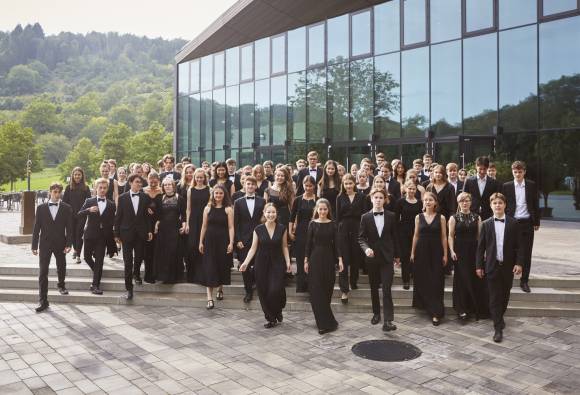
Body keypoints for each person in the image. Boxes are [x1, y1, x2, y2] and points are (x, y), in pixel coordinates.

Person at [476, 193, 524, 343]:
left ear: (505, 205)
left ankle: (499, 316)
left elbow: (520, 246)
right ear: (491, 206)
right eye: (495, 203)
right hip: (492, 265)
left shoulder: (513, 223)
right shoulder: (485, 224)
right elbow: (480, 248)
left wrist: (519, 263)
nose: (497, 205)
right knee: (495, 297)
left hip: (508, 266)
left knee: (504, 295)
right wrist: (479, 266)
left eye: (500, 203)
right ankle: (497, 328)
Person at [239, 203, 291, 328]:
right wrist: (245, 262)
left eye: (273, 212)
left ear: (276, 214)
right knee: (264, 291)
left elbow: (284, 246)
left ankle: (278, 310)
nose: (271, 214)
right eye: (268, 212)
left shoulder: (282, 228)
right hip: (261, 263)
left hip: (277, 262)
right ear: (264, 213)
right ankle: (271, 318)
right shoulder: (258, 229)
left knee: (275, 290)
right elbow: (253, 248)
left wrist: (288, 262)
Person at [358, 188, 400, 331]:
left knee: (387, 289)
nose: (378, 200)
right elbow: (361, 238)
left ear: (385, 200)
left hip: (387, 257)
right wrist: (366, 249)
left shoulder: (391, 216)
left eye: (381, 197)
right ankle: (376, 313)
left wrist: (397, 256)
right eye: (375, 197)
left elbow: (395, 237)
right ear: (371, 199)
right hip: (372, 257)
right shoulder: (365, 217)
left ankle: (388, 321)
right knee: (374, 288)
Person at [31, 182, 74, 312]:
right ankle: (43, 300)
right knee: (43, 272)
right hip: (45, 244)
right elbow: (36, 227)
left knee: (61, 265)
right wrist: (34, 245)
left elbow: (70, 228)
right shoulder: (41, 208)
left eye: (58, 192)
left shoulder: (67, 208)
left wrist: (68, 244)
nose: (56, 194)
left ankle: (61, 284)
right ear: (50, 192)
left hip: (61, 243)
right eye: (54, 192)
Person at [304, 199, 343, 334]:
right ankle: (322, 324)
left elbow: (337, 244)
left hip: (328, 259)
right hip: (315, 259)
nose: (322, 212)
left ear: (328, 210)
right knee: (316, 291)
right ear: (316, 210)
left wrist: (340, 260)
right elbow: (308, 244)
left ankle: (328, 321)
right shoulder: (312, 224)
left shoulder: (333, 225)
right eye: (320, 209)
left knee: (327, 290)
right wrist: (305, 261)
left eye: (325, 209)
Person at [502, 161, 540, 293]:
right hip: (512, 222)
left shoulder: (531, 185)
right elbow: (503, 204)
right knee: (510, 251)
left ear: (524, 172)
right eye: (515, 172)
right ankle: (508, 279)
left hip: (527, 222)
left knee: (526, 252)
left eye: (520, 172)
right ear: (512, 172)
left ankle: (524, 281)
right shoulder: (506, 186)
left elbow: (535, 203)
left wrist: (537, 222)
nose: (517, 174)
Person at [410, 192, 448, 326]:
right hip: (421, 251)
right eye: (425, 200)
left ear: (435, 202)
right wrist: (412, 253)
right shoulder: (418, 217)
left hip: (437, 251)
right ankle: (428, 307)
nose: (427, 202)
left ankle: (436, 313)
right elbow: (415, 236)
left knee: (436, 281)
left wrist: (445, 254)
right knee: (423, 279)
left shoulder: (441, 218)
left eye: (430, 200)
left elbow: (444, 237)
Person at [448, 192, 486, 322]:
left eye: (467, 200)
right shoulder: (454, 218)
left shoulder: (477, 217)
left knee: (473, 278)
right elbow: (450, 236)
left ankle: (472, 308)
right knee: (461, 280)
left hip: (474, 251)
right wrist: (452, 250)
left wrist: (482, 253)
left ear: (471, 202)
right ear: (458, 203)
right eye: (462, 201)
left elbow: (480, 237)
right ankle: (461, 309)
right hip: (459, 252)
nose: (465, 203)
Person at [114, 174, 153, 300]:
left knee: (139, 257)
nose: (139, 184)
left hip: (141, 233)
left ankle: (136, 273)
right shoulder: (122, 198)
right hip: (126, 234)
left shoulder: (145, 197)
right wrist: (116, 234)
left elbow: (148, 216)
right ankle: (129, 289)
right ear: (130, 183)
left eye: (141, 182)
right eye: (137, 182)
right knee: (127, 261)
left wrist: (149, 230)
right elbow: (118, 216)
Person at [78, 178, 116, 295]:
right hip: (90, 234)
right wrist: (88, 210)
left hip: (103, 237)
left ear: (107, 189)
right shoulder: (89, 201)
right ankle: (97, 272)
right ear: (96, 188)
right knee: (87, 257)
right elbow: (79, 214)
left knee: (99, 260)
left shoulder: (111, 204)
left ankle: (95, 285)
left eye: (105, 188)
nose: (102, 190)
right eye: (100, 188)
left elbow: (113, 221)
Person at [198, 184, 234, 308]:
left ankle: (220, 289)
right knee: (210, 267)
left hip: (223, 241)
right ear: (212, 194)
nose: (218, 195)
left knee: (221, 265)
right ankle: (209, 298)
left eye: (221, 193)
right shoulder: (207, 208)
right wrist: (200, 242)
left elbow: (231, 227)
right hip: (209, 241)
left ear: (224, 195)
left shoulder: (228, 209)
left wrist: (231, 242)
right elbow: (204, 226)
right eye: (216, 193)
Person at [234, 176, 266, 303]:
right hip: (243, 239)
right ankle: (248, 291)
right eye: (248, 184)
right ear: (244, 185)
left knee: (258, 265)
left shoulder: (262, 201)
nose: (250, 186)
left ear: (256, 186)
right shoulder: (238, 202)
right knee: (244, 266)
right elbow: (235, 223)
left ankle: (257, 285)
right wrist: (238, 240)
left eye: (253, 184)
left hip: (259, 237)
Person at [336, 174, 366, 300]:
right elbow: (337, 216)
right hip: (343, 229)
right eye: (346, 184)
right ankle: (344, 290)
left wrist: (364, 232)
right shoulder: (340, 197)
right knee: (344, 258)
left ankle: (353, 281)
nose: (348, 186)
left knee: (355, 257)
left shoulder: (362, 197)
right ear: (343, 184)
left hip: (357, 228)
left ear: (354, 183)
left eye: (350, 183)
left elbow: (364, 215)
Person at [153, 177, 187, 284]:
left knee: (174, 252)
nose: (167, 186)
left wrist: (184, 225)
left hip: (175, 228)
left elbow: (184, 214)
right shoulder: (159, 198)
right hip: (163, 229)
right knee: (163, 253)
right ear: (163, 187)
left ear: (173, 186)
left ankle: (174, 277)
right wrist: (156, 224)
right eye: (165, 185)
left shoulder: (180, 198)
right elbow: (158, 214)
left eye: (169, 184)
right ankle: (164, 277)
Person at [289, 176, 317, 293]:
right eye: (306, 185)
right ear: (303, 186)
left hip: (315, 231)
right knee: (301, 258)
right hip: (300, 231)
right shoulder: (298, 199)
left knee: (312, 258)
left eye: (310, 186)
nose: (308, 188)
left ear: (314, 186)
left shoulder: (318, 199)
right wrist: (290, 231)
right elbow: (292, 217)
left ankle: (312, 286)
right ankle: (301, 285)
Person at [394, 181, 423, 290]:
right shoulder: (400, 202)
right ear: (405, 189)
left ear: (416, 190)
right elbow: (396, 219)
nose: (411, 191)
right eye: (409, 188)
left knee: (416, 254)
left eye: (413, 189)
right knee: (405, 256)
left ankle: (415, 276)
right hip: (403, 232)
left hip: (416, 232)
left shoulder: (420, 203)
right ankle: (405, 280)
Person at [185, 169, 211, 283]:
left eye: (201, 177)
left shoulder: (209, 189)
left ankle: (202, 276)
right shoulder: (190, 190)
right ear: (194, 178)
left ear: (204, 178)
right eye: (197, 177)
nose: (199, 179)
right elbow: (188, 208)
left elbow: (211, 206)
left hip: (205, 220)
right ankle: (192, 276)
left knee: (203, 247)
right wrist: (187, 223)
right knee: (192, 247)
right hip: (193, 221)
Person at [63, 167, 91, 264]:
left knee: (79, 234)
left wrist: (86, 211)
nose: (77, 176)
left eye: (79, 174)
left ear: (82, 176)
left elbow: (89, 201)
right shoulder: (68, 187)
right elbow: (64, 202)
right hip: (70, 215)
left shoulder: (86, 188)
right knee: (73, 234)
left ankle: (78, 254)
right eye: (75, 175)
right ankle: (75, 249)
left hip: (82, 215)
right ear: (72, 176)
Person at [463, 156, 500, 220]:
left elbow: (496, 199)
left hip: (488, 214)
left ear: (487, 168)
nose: (482, 171)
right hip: (472, 213)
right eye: (480, 169)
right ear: (476, 167)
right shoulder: (469, 181)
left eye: (484, 169)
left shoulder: (494, 183)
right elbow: (464, 197)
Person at [142, 172, 162, 284]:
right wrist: (145, 209)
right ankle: (148, 273)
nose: (153, 181)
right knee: (147, 250)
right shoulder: (143, 191)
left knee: (157, 250)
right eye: (151, 179)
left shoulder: (162, 191)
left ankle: (157, 273)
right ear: (147, 179)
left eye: (155, 179)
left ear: (158, 179)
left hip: (159, 223)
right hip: (146, 223)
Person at [264, 167, 295, 232]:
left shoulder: (289, 190)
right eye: (278, 175)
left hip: (285, 218)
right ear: (275, 176)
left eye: (282, 176)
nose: (280, 177)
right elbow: (265, 208)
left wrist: (293, 223)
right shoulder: (267, 191)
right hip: (271, 218)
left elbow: (293, 208)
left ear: (285, 177)